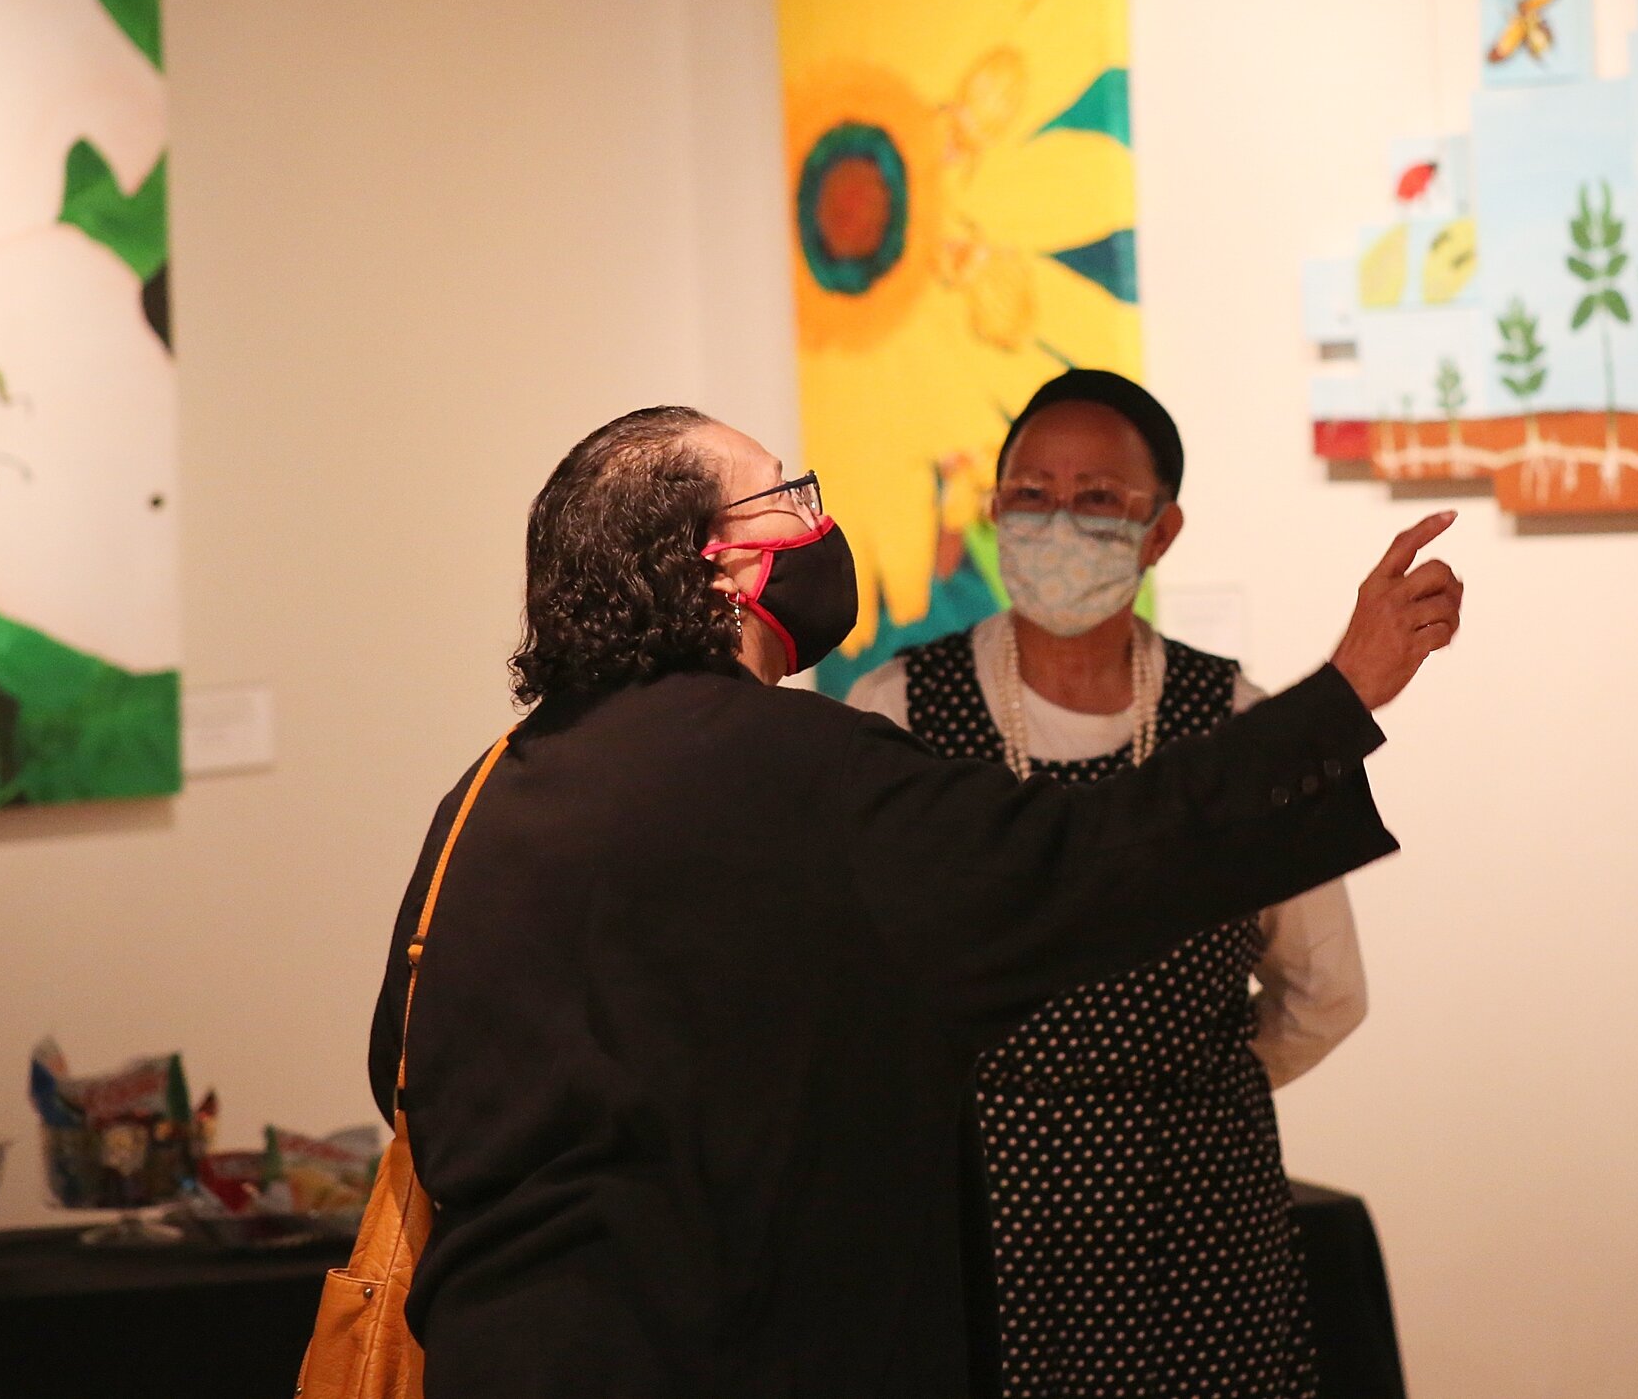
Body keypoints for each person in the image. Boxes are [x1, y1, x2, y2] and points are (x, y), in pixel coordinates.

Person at [365, 405, 1462, 1398]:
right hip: (748, 1346)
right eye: (788, 494)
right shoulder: (816, 770)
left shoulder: (485, 792)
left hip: (507, 1350)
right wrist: (1341, 696)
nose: (818, 519)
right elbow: (1082, 858)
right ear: (727, 562)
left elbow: (403, 1066)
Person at [848, 370, 1360, 1399]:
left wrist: (1179, 1089)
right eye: (1031, 492)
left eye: (1096, 498)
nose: (1056, 519)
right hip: (971, 1210)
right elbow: (848, 986)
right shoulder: (894, 712)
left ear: (1160, 530)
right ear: (995, 511)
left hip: (1198, 1223)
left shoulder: (1243, 726)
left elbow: (1326, 989)